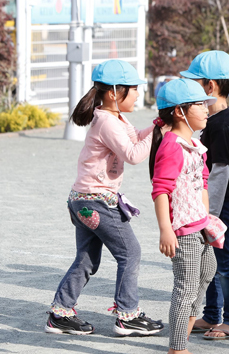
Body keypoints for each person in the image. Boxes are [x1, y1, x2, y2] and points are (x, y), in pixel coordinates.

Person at [45, 60, 164, 336]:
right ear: (114, 92)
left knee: (87, 260)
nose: (137, 95)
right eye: (133, 90)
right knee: (130, 252)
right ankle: (127, 315)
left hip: (82, 201)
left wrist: (159, 124)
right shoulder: (107, 122)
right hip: (95, 202)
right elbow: (134, 155)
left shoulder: (116, 118)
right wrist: (160, 129)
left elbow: (136, 137)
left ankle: (60, 314)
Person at [179, 51, 229, 340]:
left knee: (223, 262)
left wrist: (210, 215)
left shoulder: (222, 125)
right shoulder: (211, 121)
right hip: (213, 204)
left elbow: (220, 172)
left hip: (223, 204)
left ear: (210, 86)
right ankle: (211, 315)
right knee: (211, 259)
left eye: (194, 84)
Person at [150, 78, 219, 354]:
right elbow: (161, 190)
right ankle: (177, 348)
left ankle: (186, 327)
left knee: (207, 271)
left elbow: (202, 182)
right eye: (200, 105)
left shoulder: (194, 144)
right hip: (183, 230)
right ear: (180, 111)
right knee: (185, 288)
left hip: (200, 226)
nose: (206, 109)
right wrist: (165, 230)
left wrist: (208, 219)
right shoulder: (171, 146)